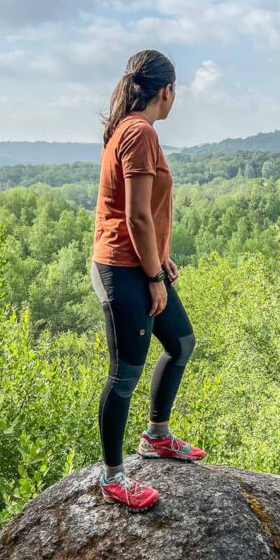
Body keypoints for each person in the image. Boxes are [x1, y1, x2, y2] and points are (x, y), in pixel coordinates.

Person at [90, 49, 206, 512]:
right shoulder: (138, 134)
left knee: (182, 342)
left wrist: (162, 260)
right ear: (167, 91)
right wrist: (155, 275)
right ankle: (113, 475)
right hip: (123, 268)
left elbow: (141, 214)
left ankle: (156, 435)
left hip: (142, 262)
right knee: (125, 374)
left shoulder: (134, 130)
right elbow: (136, 216)